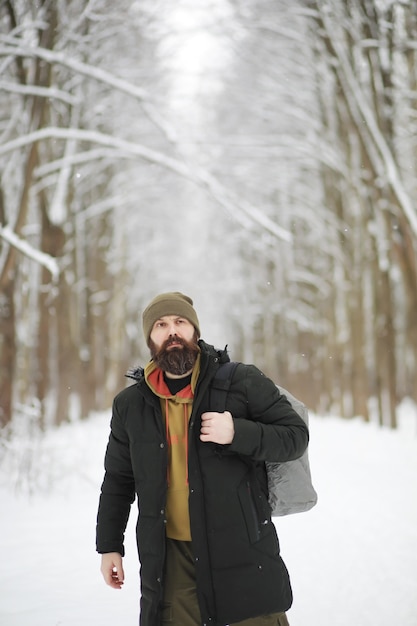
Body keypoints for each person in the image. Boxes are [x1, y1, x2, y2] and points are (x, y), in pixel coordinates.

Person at [96, 292, 309, 626]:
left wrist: (237, 432)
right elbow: (118, 479)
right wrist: (109, 545)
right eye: (161, 325)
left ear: (195, 331)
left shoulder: (241, 382)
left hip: (241, 549)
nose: (172, 332)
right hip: (170, 559)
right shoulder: (131, 405)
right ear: (150, 338)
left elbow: (294, 437)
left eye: (180, 322)